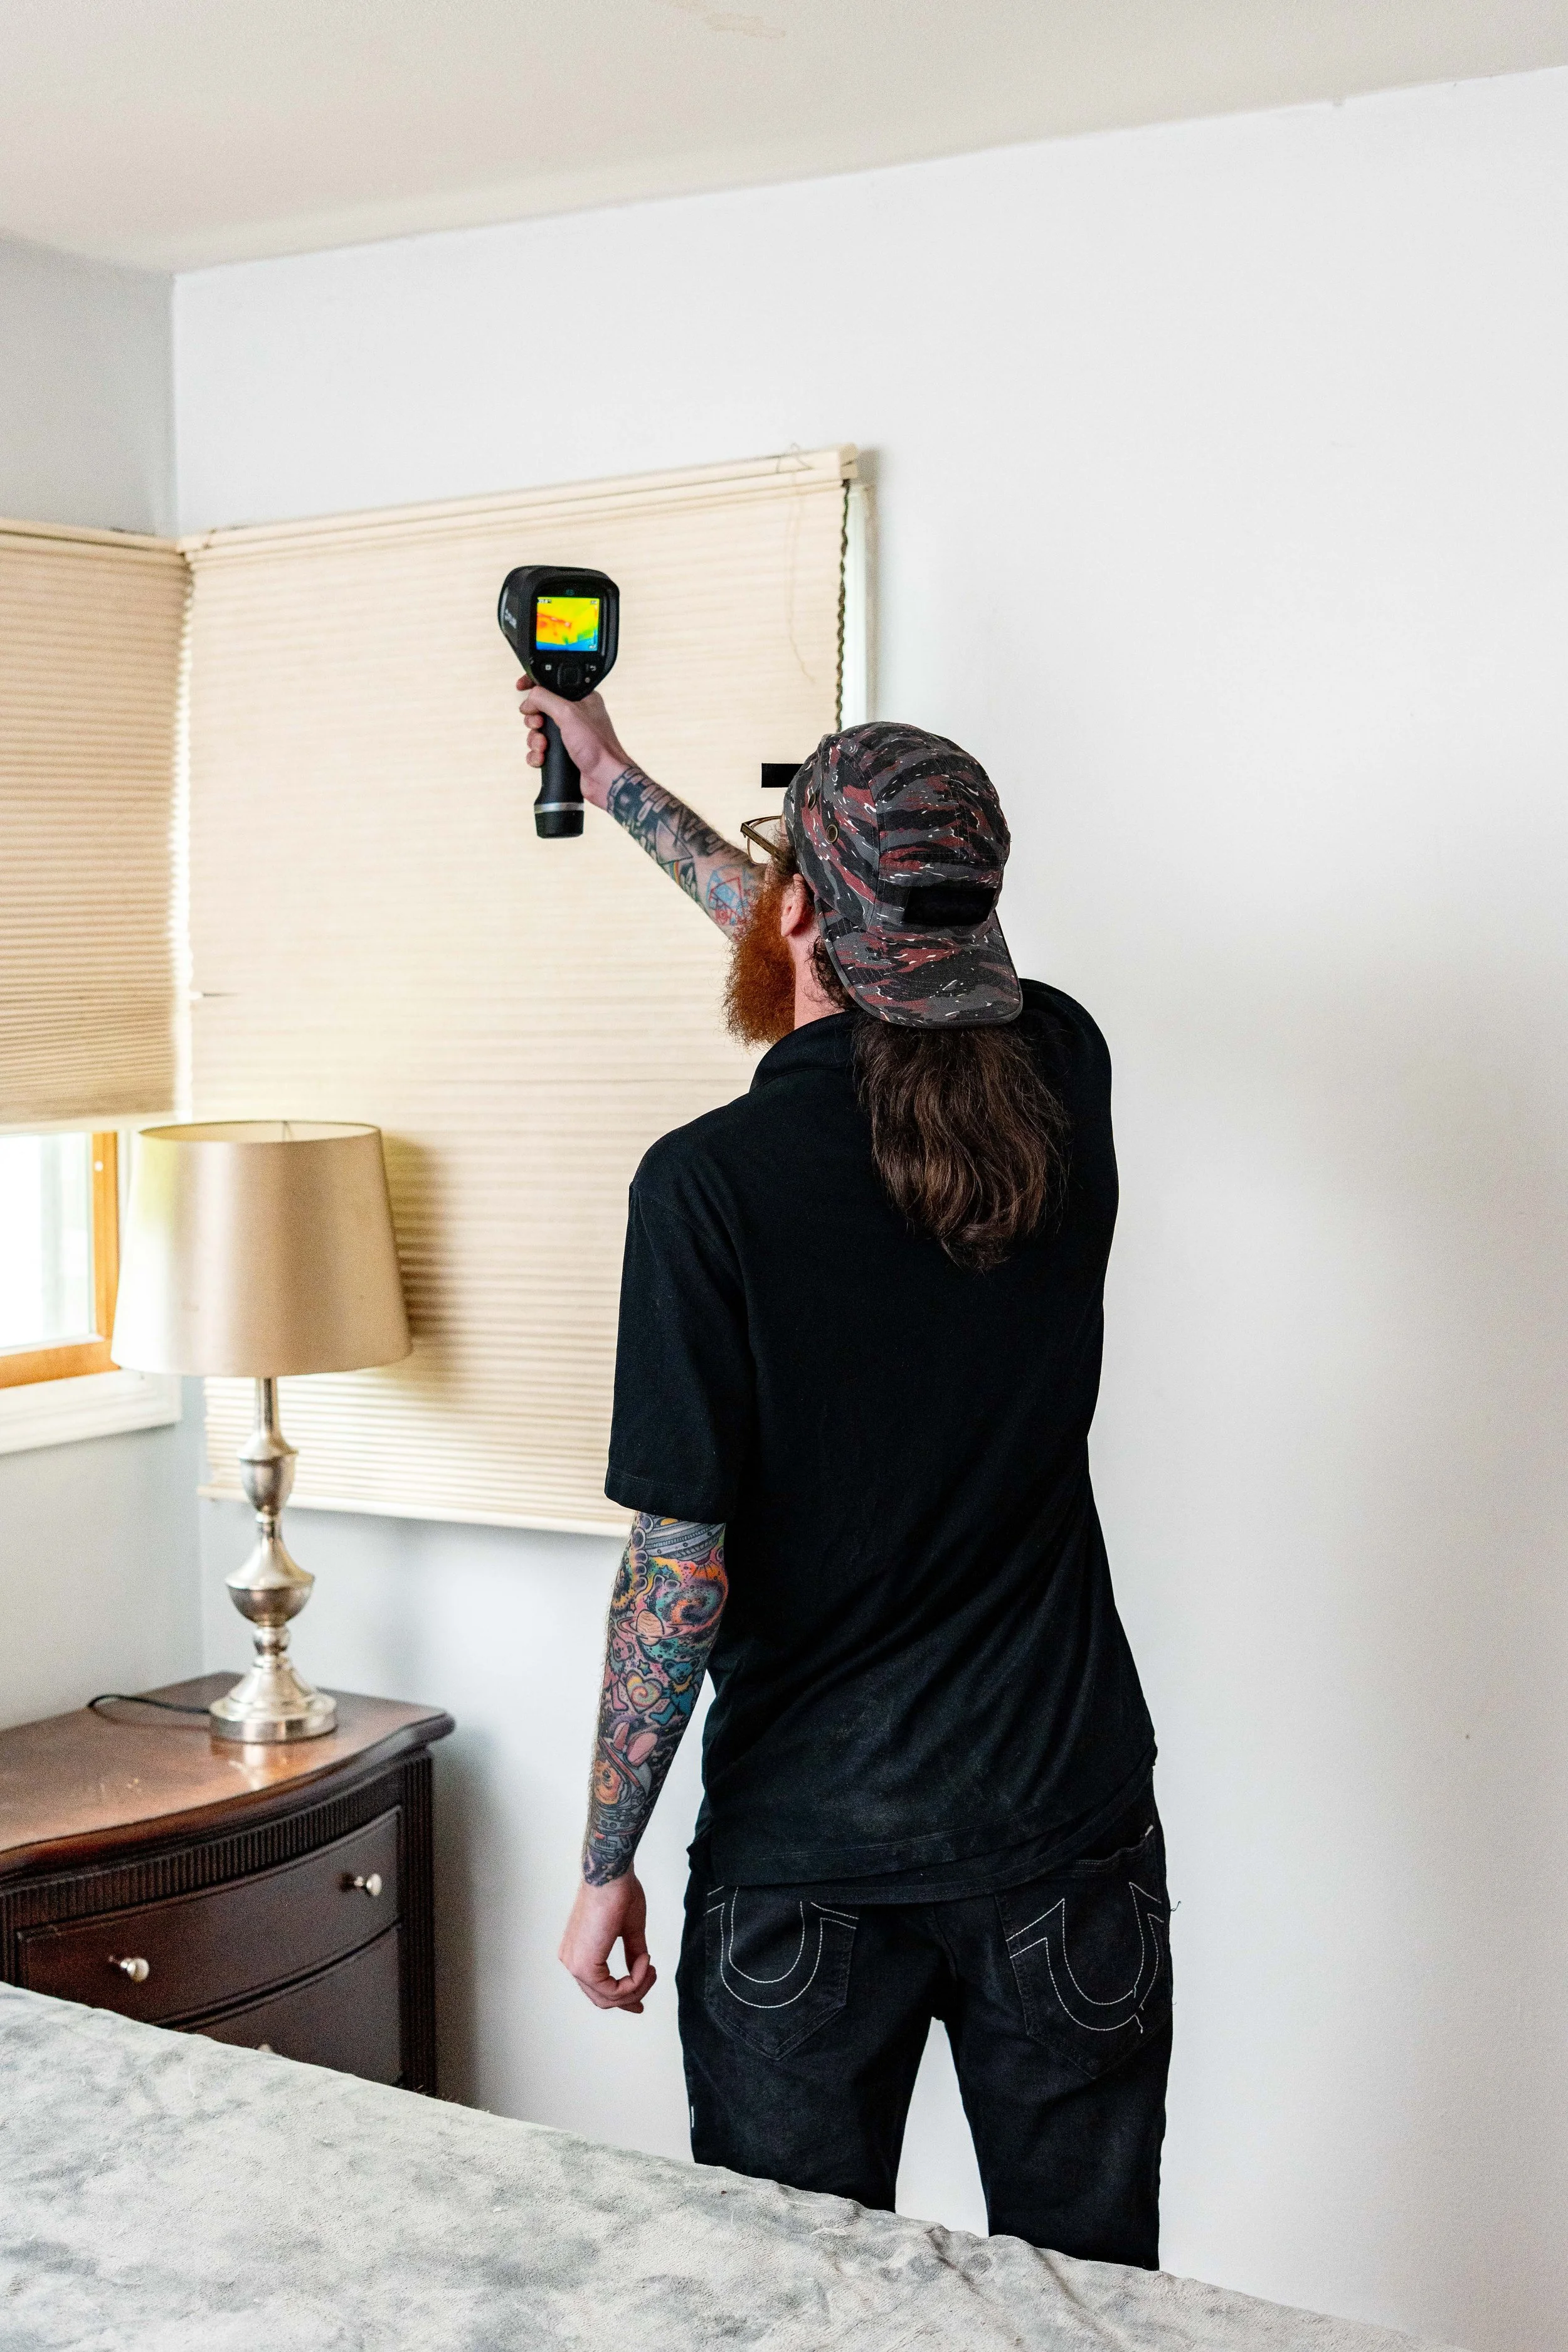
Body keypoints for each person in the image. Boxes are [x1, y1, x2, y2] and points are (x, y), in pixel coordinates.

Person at [517, 674, 1170, 2267]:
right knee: (1092, 2309)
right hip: (1064, 1832)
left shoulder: (706, 1189)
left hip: (805, 1872)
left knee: (792, 2311)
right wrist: (614, 774)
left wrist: (604, 1861)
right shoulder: (1063, 1071)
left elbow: (678, 1574)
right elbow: (848, 955)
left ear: (801, 910)